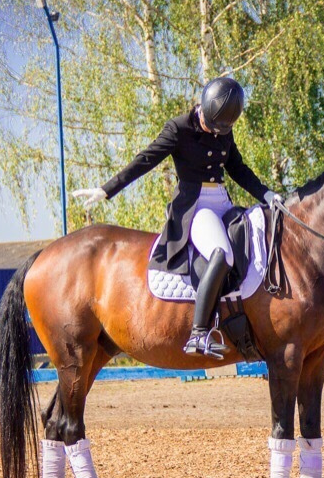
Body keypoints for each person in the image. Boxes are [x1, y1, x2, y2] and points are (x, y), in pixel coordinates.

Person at [73, 77, 282, 358]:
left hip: (223, 203)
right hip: (196, 209)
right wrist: (107, 189)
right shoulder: (179, 128)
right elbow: (145, 160)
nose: (215, 132)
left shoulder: (224, 129)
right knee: (222, 254)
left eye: (223, 130)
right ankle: (199, 333)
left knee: (254, 245)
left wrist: (266, 195)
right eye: (211, 125)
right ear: (202, 109)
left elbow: (238, 169)